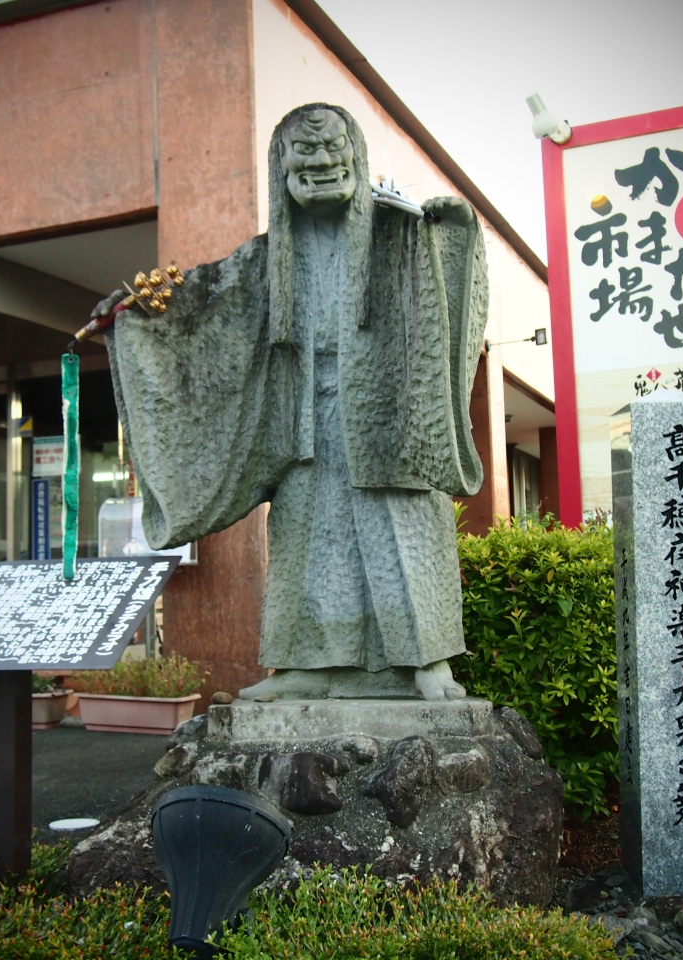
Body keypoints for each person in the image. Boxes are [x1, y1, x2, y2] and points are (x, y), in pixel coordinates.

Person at [98, 104, 487, 700]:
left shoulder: (398, 234)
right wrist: (140, 318)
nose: (322, 162)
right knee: (308, 537)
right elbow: (204, 309)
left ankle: (427, 662)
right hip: (303, 414)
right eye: (304, 152)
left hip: (384, 413)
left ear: (357, 156)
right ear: (280, 168)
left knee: (400, 530)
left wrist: (453, 230)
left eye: (334, 148)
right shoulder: (265, 259)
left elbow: (453, 288)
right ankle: (307, 666)